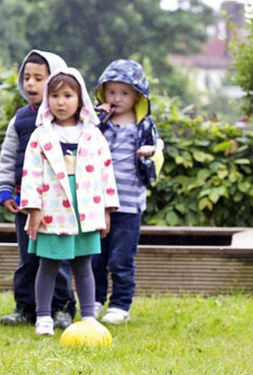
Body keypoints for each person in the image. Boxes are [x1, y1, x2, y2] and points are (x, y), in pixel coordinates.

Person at [19, 68, 119, 336]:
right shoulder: (40, 135)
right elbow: (31, 174)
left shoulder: (93, 135)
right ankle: (43, 317)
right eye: (54, 95)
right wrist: (34, 209)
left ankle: (88, 316)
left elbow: (106, 172)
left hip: (86, 207)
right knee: (48, 263)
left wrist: (106, 211)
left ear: (80, 99)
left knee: (83, 264)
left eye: (67, 95)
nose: (60, 102)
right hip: (51, 208)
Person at [0, 50, 77, 329]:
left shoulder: (69, 125)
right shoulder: (20, 120)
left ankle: (62, 308)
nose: (30, 84)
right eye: (27, 77)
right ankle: (25, 307)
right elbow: (8, 158)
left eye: (38, 78)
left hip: (59, 204)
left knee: (59, 259)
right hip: (26, 203)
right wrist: (6, 190)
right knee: (28, 259)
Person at [92, 59, 164, 324]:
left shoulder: (144, 126)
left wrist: (149, 154)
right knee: (95, 258)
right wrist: (96, 117)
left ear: (137, 96)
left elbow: (156, 160)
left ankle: (120, 305)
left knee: (121, 259)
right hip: (98, 203)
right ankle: (95, 300)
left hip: (128, 204)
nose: (117, 98)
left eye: (124, 93)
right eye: (111, 92)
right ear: (103, 93)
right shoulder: (100, 122)